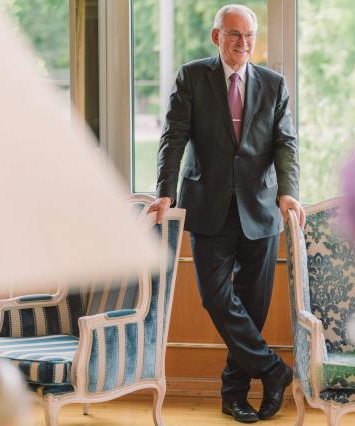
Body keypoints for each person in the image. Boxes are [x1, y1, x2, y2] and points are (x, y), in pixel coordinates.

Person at [147, 4, 305, 423]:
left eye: (250, 35)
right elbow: (173, 137)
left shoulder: (274, 84)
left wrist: (288, 192)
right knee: (215, 297)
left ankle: (234, 396)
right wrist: (165, 193)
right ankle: (273, 370)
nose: (243, 43)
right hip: (208, 206)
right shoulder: (193, 77)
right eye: (235, 34)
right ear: (217, 36)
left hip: (260, 208)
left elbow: (286, 143)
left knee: (253, 307)